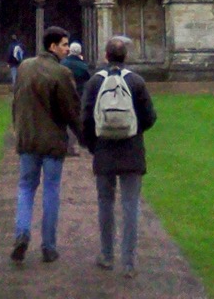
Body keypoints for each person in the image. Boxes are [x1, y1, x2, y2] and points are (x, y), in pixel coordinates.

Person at [81, 37, 157, 279]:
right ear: (126, 57)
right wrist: (134, 131)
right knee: (130, 205)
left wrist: (94, 145)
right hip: (131, 150)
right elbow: (150, 116)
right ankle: (129, 262)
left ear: (105, 56)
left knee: (105, 203)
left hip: (103, 149)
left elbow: (85, 119)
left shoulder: (94, 82)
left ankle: (106, 255)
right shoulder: (136, 81)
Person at [10, 25, 81, 266]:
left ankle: (21, 233)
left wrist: (17, 128)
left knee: (25, 188)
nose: (67, 48)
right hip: (51, 142)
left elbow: (16, 101)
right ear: (52, 46)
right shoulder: (61, 73)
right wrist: (85, 138)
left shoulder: (24, 67)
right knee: (50, 190)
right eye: (63, 44)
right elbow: (72, 112)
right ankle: (49, 247)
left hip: (28, 138)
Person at [60, 40, 92, 156]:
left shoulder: (63, 63)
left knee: (65, 120)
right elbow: (88, 78)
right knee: (76, 120)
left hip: (64, 95)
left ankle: (66, 146)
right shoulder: (82, 65)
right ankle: (77, 145)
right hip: (79, 95)